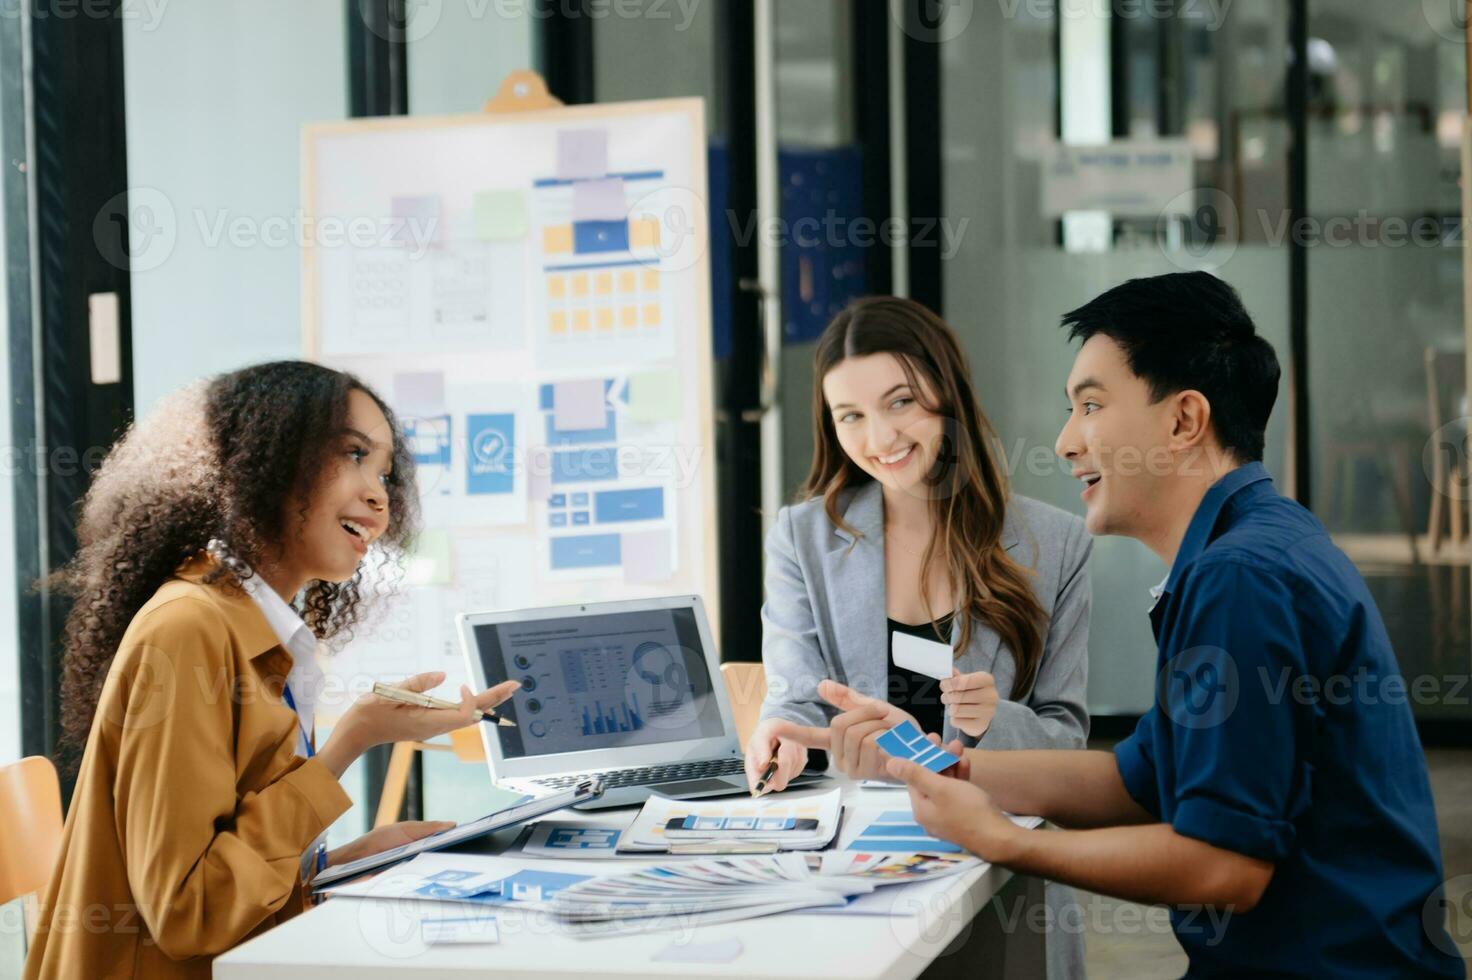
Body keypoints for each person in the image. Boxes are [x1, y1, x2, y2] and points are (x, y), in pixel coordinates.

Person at [776, 273, 1463, 977]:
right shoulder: (1254, 543)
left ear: (1184, 420)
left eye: (1091, 405)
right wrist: (941, 764)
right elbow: (1136, 781)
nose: (1066, 441)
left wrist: (1008, 843)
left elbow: (1226, 868)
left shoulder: (1240, 578)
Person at [25, 361, 518, 979]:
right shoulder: (189, 630)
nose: (379, 495)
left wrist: (347, 863)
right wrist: (350, 744)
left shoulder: (254, 625)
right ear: (271, 459)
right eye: (352, 454)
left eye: (384, 471)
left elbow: (230, 882)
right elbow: (191, 914)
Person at [747, 296, 1093, 978]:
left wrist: (996, 721)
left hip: (999, 873)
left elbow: (1069, 748)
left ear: (946, 395)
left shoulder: (1054, 543)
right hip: (860, 877)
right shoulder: (802, 538)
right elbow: (795, 698)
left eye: (900, 401)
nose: (878, 437)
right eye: (850, 416)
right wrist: (781, 739)